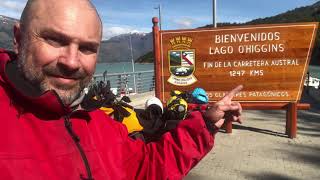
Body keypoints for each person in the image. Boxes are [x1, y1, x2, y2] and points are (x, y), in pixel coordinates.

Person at [0, 0, 243, 179]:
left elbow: (145, 167)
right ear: (19, 40)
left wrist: (206, 124)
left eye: (87, 48)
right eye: (55, 40)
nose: (71, 62)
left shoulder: (100, 123)